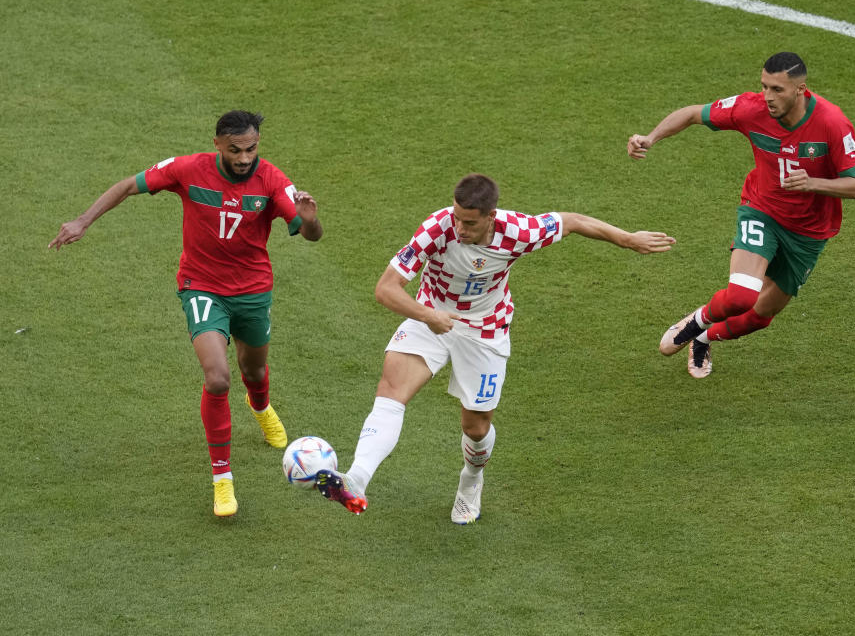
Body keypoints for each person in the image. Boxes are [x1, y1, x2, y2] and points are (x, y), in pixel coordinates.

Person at [314, 173, 675, 524]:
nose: (460, 228)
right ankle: (356, 478)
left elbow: (574, 221)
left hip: (486, 330)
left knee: (475, 426)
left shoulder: (518, 231)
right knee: (391, 389)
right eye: (457, 218)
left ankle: (471, 482)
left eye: (469, 223)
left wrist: (627, 239)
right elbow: (386, 288)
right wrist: (428, 315)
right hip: (431, 316)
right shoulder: (437, 229)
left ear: (491, 217)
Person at [49, 110, 323, 517]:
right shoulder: (188, 170)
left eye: (251, 149)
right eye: (235, 150)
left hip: (252, 291)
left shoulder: (273, 181)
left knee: (253, 373)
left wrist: (310, 220)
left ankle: (261, 407)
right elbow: (128, 185)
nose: (245, 158)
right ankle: (223, 480)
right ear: (217, 145)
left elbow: (311, 233)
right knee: (217, 378)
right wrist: (83, 220)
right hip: (202, 286)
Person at [627, 52, 855, 378]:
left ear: (801, 89)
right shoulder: (750, 108)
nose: (768, 97)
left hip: (809, 233)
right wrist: (650, 137)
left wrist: (812, 183)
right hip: (762, 211)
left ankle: (702, 337)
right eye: (764, 86)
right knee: (741, 296)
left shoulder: (831, 122)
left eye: (778, 90)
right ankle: (696, 320)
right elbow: (691, 115)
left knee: (760, 317)